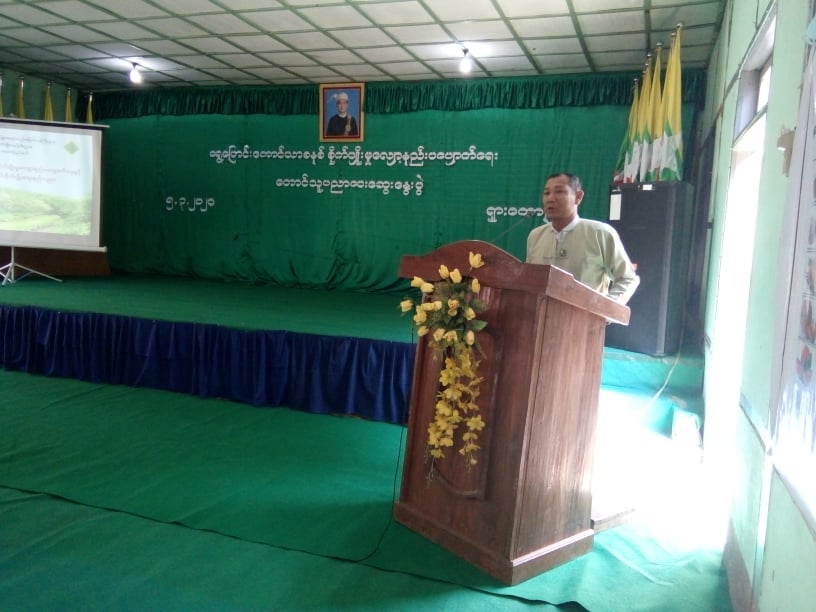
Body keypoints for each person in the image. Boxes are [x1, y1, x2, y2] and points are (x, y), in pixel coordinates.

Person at [526, 172, 639, 304]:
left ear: (578, 197)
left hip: (584, 315)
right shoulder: (536, 235)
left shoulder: (600, 233)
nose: (550, 198)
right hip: (540, 314)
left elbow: (627, 278)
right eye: (546, 193)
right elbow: (530, 281)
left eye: (559, 191)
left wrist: (604, 308)